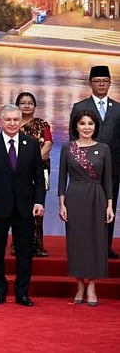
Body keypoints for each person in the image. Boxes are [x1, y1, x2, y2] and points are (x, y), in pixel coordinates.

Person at [0, 104, 46, 307]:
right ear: (1, 121)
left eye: (16, 119)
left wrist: (39, 201)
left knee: (25, 252)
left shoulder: (31, 144)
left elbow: (38, 177)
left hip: (24, 207)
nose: (13, 123)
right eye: (8, 119)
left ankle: (22, 293)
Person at [58, 109, 115, 306]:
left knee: (95, 242)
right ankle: (79, 284)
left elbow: (108, 180)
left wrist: (110, 206)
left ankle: (92, 285)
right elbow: (61, 178)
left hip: (97, 197)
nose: (86, 128)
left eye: (90, 124)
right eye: (82, 124)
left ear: (95, 127)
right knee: (77, 242)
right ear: (76, 126)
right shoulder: (68, 147)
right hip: (74, 197)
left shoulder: (104, 148)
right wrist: (61, 203)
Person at [70, 65, 120, 259]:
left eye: (105, 81)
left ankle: (105, 247)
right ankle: (87, 247)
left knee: (109, 206)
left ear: (110, 83)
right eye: (97, 81)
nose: (101, 84)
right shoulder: (79, 107)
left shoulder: (118, 109)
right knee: (86, 208)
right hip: (85, 169)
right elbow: (73, 139)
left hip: (113, 168)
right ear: (90, 83)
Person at [16, 91, 53, 257]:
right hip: (18, 172)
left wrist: (32, 162)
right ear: (17, 106)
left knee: (38, 208)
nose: (26, 105)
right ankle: (18, 245)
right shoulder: (12, 125)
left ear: (35, 106)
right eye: (22, 103)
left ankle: (37, 246)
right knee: (18, 208)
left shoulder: (42, 125)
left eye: (29, 102)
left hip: (40, 171)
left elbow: (48, 145)